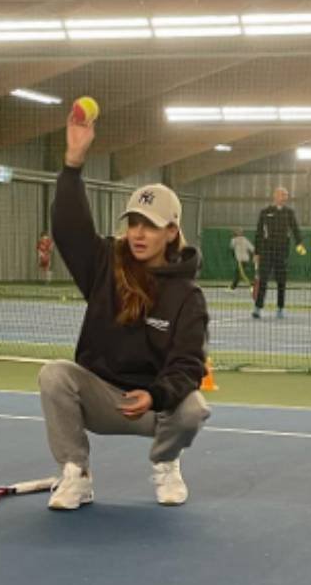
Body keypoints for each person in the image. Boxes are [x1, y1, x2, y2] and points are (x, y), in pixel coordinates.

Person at [40, 103, 211, 510]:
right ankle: (77, 475)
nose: (138, 233)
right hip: (102, 397)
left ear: (171, 232)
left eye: (150, 225)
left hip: (154, 407)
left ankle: (166, 462)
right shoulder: (104, 265)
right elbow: (69, 228)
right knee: (54, 375)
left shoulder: (187, 296)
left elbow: (188, 365)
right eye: (133, 222)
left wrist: (155, 395)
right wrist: (73, 162)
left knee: (194, 408)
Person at [252, 187, 304, 319]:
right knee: (263, 279)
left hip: (282, 251)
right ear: (275, 196)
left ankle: (280, 308)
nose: (285, 197)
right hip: (267, 250)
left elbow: (295, 229)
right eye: (282, 194)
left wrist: (299, 243)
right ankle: (258, 308)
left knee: (281, 280)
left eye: (286, 195)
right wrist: (257, 252)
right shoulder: (265, 212)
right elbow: (259, 233)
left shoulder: (289, 212)